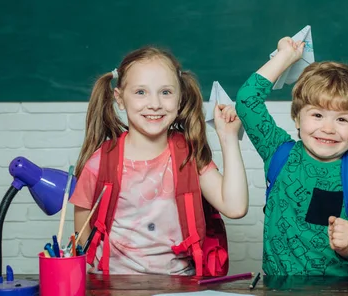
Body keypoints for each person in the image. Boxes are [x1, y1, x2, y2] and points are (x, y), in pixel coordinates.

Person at [70, 46, 248, 275]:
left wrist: (229, 137)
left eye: (165, 92)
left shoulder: (189, 156)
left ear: (180, 98)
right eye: (140, 92)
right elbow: (83, 233)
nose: (154, 104)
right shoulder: (100, 162)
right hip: (115, 284)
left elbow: (235, 207)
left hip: (178, 284)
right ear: (120, 98)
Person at [235, 37, 348, 276]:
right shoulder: (278, 151)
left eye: (342, 119)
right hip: (278, 290)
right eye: (317, 115)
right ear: (297, 118)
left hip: (340, 291)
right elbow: (248, 100)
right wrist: (285, 57)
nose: (328, 128)